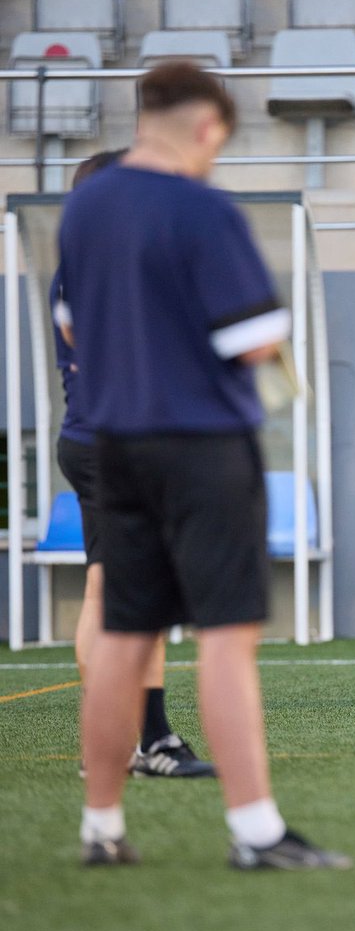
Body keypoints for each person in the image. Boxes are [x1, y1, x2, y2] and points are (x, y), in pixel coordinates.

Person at [57, 61, 351, 870]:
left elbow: (73, 326)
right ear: (209, 128)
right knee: (225, 637)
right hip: (201, 445)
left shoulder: (85, 213)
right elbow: (253, 340)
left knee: (123, 637)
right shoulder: (202, 208)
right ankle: (256, 832)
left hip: (115, 446)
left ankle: (102, 828)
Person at [52, 149, 215, 779]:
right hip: (118, 445)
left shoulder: (80, 266)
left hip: (90, 441)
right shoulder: (106, 265)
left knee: (105, 587)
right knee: (137, 597)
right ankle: (149, 741)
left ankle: (123, 738)